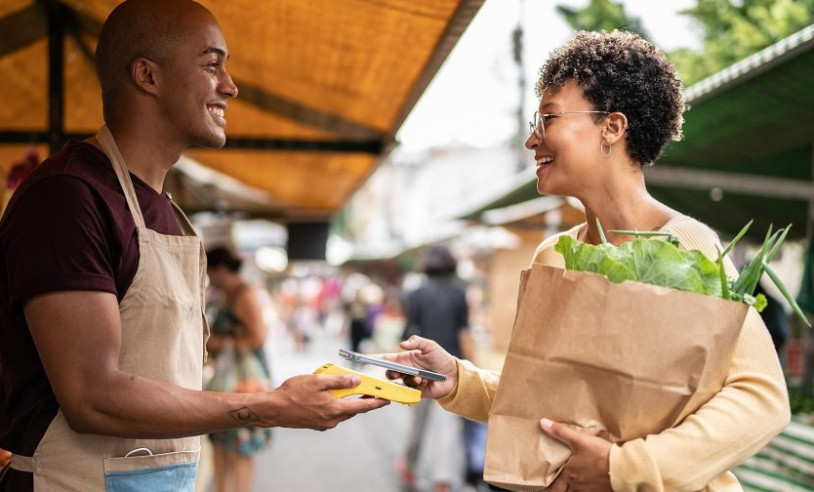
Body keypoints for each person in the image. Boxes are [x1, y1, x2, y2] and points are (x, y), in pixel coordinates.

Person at [0, 1, 387, 490]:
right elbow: (91, 395)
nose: (230, 84)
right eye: (212, 64)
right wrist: (269, 406)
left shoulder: (171, 215)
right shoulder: (67, 196)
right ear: (147, 75)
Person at [383, 30, 789, 492]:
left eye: (548, 117)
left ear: (611, 128)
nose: (532, 139)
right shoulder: (552, 256)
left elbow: (760, 397)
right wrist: (458, 379)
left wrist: (626, 467)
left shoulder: (685, 242)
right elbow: (543, 397)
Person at [398, 245, 474, 492]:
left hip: (420, 368)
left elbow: (407, 333)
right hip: (451, 368)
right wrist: (472, 367)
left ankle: (410, 467)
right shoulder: (460, 293)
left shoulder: (416, 293)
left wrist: (399, 369)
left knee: (417, 423)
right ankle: (442, 481)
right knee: (448, 426)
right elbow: (464, 334)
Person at [205, 247, 273, 492]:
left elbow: (258, 337)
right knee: (223, 441)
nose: (209, 278)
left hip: (244, 376)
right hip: (231, 376)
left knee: (240, 443)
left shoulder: (243, 294)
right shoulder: (227, 294)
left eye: (210, 271)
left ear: (220, 269)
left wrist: (219, 343)